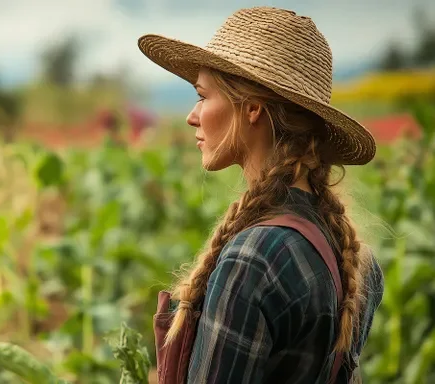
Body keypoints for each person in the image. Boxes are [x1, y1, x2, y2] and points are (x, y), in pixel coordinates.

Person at [137, 6, 384, 383]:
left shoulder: (254, 258)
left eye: (203, 96)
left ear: (252, 108)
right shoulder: (355, 256)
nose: (192, 115)